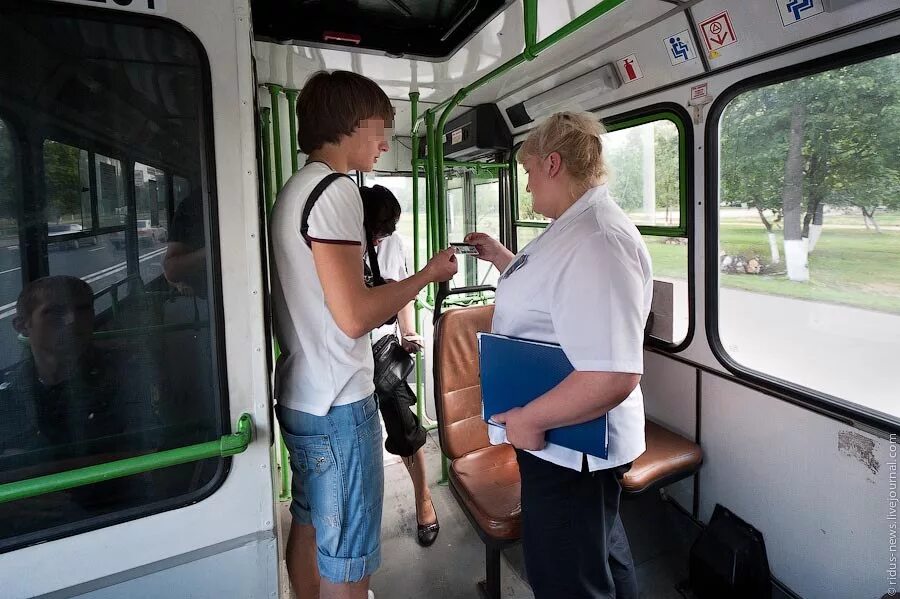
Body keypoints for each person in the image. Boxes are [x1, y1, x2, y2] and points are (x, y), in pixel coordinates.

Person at [270, 70, 457, 599]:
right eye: (382, 128)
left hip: (303, 395)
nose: (384, 141)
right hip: (339, 403)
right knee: (348, 558)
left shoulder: (296, 189)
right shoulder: (335, 192)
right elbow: (354, 316)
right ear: (351, 124)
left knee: (307, 520)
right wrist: (424, 277)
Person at [465, 111, 651, 599]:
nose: (527, 188)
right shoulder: (572, 227)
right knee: (600, 555)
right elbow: (550, 293)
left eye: (528, 173)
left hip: (571, 446)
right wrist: (505, 258)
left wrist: (529, 417)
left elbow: (613, 374)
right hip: (564, 439)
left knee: (567, 579)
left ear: (552, 164)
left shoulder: (597, 239)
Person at [360, 184, 439, 547]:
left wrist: (408, 331)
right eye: (375, 232)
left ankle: (423, 497)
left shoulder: (393, 243)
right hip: (349, 352)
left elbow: (404, 291)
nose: (379, 240)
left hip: (383, 345)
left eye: (385, 232)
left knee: (406, 427)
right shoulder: (343, 245)